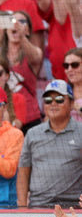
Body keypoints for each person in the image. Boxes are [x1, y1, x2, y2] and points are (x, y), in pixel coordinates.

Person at [17, 80, 82, 208]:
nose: (53, 104)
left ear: (71, 103)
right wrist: (22, 207)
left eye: (59, 99)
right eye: (48, 100)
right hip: (38, 206)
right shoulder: (32, 133)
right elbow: (23, 171)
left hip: (73, 208)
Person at [0, 10, 42, 133]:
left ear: (28, 30)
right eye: (12, 21)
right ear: (6, 29)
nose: (16, 24)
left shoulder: (34, 52)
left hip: (30, 119)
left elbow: (35, 57)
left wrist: (21, 35)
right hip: (5, 117)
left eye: (22, 22)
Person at [63, 48, 82, 122]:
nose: (69, 69)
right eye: (66, 66)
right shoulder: (62, 91)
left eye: (75, 65)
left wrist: (77, 108)